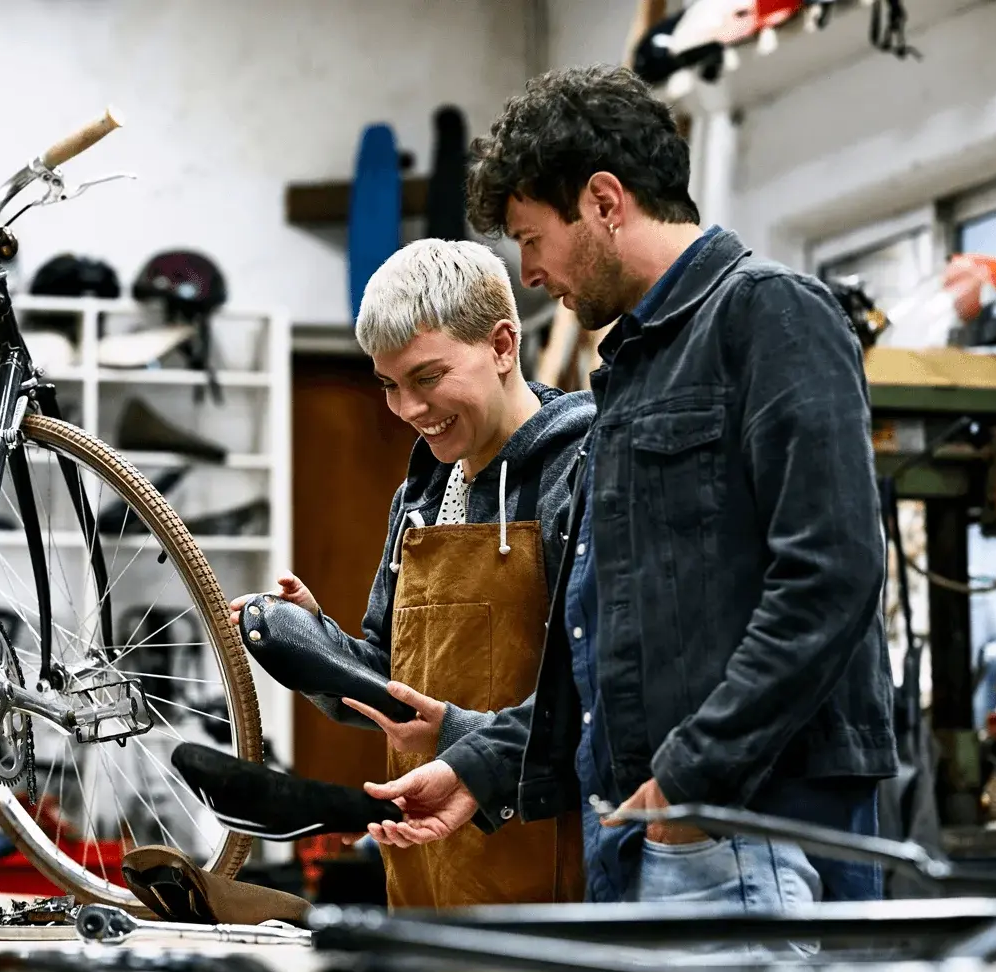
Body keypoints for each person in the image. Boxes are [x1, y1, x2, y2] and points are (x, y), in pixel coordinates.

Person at [361, 64, 897, 909]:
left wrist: (693, 774)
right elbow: (601, 645)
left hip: (750, 819)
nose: (529, 272)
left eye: (532, 238)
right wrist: (479, 767)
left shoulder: (769, 316)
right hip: (651, 824)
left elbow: (831, 577)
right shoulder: (632, 372)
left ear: (605, 202)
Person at [229, 237, 594, 908]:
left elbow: (592, 697)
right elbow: (390, 682)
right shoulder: (420, 497)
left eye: (427, 378)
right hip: (427, 863)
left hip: (546, 867)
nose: (408, 409)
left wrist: (455, 737)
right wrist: (315, 645)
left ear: (503, 346)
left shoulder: (576, 472)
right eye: (390, 385)